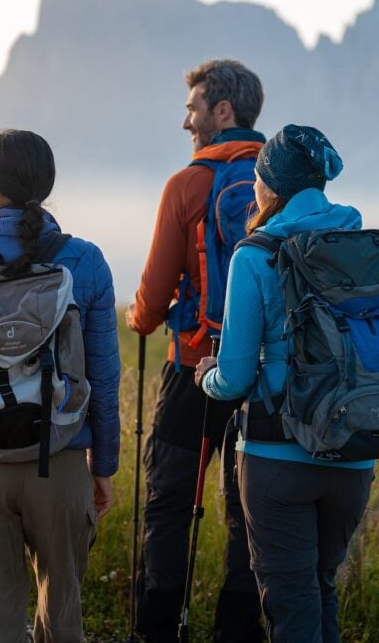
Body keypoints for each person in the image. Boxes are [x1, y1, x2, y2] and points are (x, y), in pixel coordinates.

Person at [194, 124, 375, 643]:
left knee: (291, 605)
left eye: (258, 177)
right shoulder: (359, 245)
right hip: (354, 455)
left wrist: (207, 377)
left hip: (277, 457)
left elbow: (234, 379)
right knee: (321, 588)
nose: (254, 186)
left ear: (272, 186)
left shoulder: (255, 255)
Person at [0, 129, 121, 643]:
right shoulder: (85, 261)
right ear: (47, 187)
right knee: (62, 621)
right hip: (61, 460)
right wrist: (102, 467)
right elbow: (104, 378)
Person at [126, 59, 266, 643]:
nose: (187, 122)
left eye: (193, 108)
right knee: (248, 511)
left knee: (168, 502)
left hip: (192, 367)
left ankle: (158, 629)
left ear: (222, 111)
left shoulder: (186, 186)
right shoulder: (278, 183)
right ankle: (238, 631)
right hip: (262, 376)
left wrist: (139, 318)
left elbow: (154, 295)